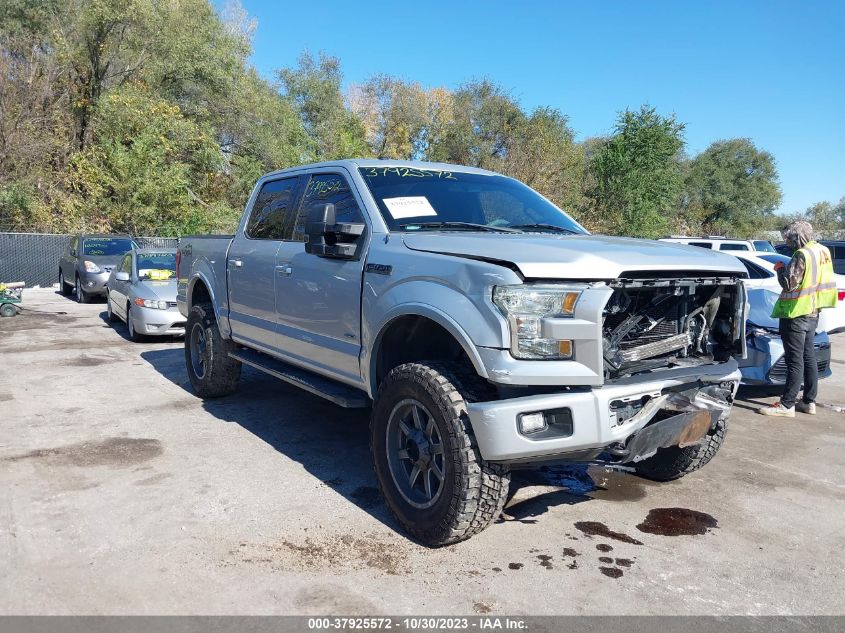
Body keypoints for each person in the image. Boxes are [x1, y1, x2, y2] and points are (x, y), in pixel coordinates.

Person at [758, 220, 837, 417]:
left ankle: (786, 405)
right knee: (808, 356)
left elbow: (789, 284)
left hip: (796, 313)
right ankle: (809, 401)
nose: (788, 242)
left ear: (797, 236)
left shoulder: (802, 254)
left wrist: (779, 269)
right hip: (813, 312)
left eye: (789, 238)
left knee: (794, 360)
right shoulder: (822, 251)